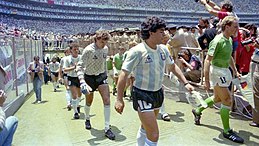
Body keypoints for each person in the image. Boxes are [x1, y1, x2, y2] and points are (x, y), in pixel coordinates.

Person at [114, 16, 194, 146]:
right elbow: (124, 74)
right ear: (151, 32)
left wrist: (186, 83)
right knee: (154, 134)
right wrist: (119, 99)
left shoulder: (163, 49)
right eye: (161, 31)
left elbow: (172, 66)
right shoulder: (137, 51)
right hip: (142, 94)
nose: (165, 34)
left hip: (157, 93)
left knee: (145, 128)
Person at [192, 16, 244, 143]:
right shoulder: (217, 41)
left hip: (225, 71)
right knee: (227, 100)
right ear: (227, 27)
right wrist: (207, 80)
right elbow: (207, 61)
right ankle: (227, 131)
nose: (237, 29)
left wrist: (235, 71)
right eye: (235, 26)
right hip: (217, 71)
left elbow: (230, 56)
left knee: (217, 98)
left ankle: (198, 110)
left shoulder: (229, 39)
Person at [76, 30, 115, 140]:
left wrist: (106, 75)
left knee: (107, 100)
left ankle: (107, 128)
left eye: (106, 42)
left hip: (101, 76)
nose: (104, 44)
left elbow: (103, 63)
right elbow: (79, 67)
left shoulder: (105, 49)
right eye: (102, 42)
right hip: (89, 78)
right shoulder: (88, 50)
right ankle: (87, 118)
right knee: (89, 101)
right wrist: (82, 82)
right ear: (96, 39)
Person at [63, 43, 81, 118]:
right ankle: (75, 112)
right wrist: (74, 67)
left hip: (80, 77)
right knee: (74, 95)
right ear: (71, 50)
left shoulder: (81, 57)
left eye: (77, 49)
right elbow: (64, 70)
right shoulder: (67, 59)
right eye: (74, 49)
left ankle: (77, 105)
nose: (76, 51)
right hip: (71, 78)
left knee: (79, 94)